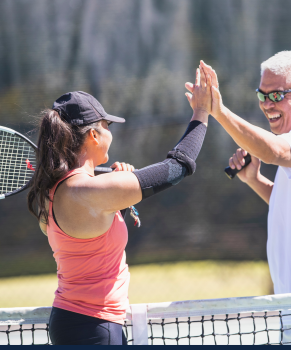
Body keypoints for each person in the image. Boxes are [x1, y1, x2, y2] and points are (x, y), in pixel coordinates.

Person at [27, 67, 212, 345]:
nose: (110, 134)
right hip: (93, 329)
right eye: (107, 126)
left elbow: (87, 236)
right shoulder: (87, 191)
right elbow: (177, 168)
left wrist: (117, 201)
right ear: (92, 136)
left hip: (80, 323)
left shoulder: (57, 190)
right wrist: (202, 113)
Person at [185, 52, 291, 344]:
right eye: (262, 95)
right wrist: (255, 180)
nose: (267, 104)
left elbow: (273, 151)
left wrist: (219, 111)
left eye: (277, 95)